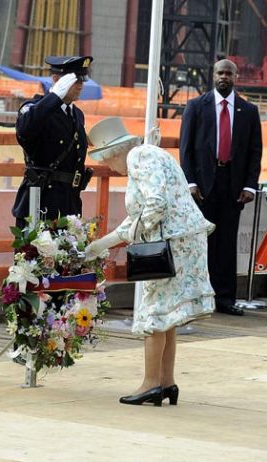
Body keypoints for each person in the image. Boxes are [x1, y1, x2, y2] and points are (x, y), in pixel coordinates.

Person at [84, 118, 215, 407]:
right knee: (166, 314)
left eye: (106, 160)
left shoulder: (138, 157)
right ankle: (166, 382)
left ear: (112, 152)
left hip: (172, 242)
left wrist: (130, 235)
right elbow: (141, 216)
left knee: (154, 311)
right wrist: (100, 245)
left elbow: (155, 204)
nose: (109, 168)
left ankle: (151, 383)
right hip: (182, 239)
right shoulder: (149, 155)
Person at [179, 59, 263, 316]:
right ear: (213, 75)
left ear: (236, 77)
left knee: (227, 243)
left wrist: (250, 185)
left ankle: (225, 298)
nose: (224, 77)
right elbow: (186, 149)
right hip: (203, 185)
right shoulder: (196, 106)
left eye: (228, 73)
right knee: (200, 242)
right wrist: (190, 182)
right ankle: (197, 297)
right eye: (220, 72)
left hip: (233, 184)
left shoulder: (248, 111)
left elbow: (254, 152)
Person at [11, 55, 94, 229]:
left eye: (82, 80)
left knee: (68, 253)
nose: (80, 85)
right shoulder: (35, 109)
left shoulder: (77, 115)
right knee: (35, 254)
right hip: (41, 200)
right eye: (74, 80)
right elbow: (25, 130)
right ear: (56, 80)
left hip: (70, 201)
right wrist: (54, 96)